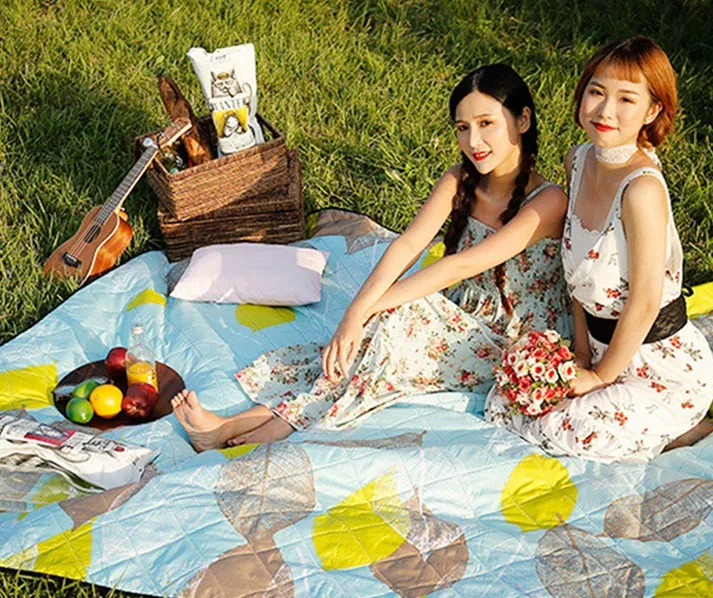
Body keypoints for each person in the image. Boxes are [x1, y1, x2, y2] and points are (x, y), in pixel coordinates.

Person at [172, 64, 571, 450]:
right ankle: (242, 422)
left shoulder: (549, 201)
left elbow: (462, 265)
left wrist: (366, 309)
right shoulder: (459, 179)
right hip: (460, 316)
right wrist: (356, 314)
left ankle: (263, 425)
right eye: (463, 128)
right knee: (366, 335)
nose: (473, 141)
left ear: (522, 120)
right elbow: (407, 245)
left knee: (394, 317)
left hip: (512, 341)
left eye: (486, 123)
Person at [484, 37, 713, 462]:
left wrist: (598, 377)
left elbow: (645, 301)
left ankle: (684, 427)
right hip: (598, 347)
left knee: (566, 429)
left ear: (652, 111)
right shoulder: (579, 160)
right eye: (597, 92)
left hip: (657, 364)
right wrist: (579, 355)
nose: (606, 111)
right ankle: (648, 429)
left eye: (626, 99)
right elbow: (577, 274)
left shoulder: (641, 190)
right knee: (508, 400)